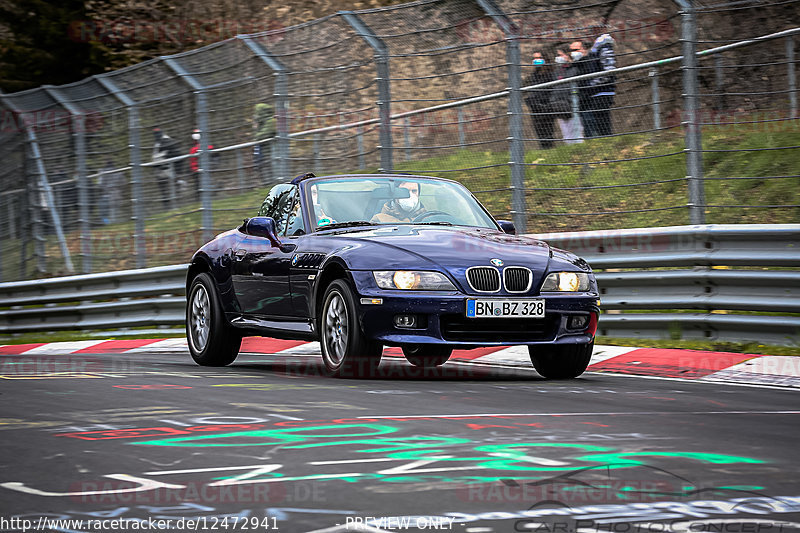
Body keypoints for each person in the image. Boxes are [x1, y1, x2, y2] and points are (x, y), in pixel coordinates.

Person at [523, 52, 557, 149]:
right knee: (539, 130)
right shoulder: (535, 74)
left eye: (539, 58)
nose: (536, 60)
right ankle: (544, 148)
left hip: (545, 105)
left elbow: (550, 90)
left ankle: (549, 147)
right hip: (535, 107)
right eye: (535, 58)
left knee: (547, 129)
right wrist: (530, 100)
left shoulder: (550, 74)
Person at [568, 40, 601, 138]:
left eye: (576, 49)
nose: (573, 52)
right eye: (571, 50)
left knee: (591, 123)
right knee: (585, 125)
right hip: (581, 99)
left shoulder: (591, 61)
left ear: (584, 49)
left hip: (591, 97)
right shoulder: (576, 64)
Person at [588, 33, 616, 137]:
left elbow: (609, 70)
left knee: (602, 118)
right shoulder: (597, 51)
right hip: (598, 91)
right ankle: (603, 137)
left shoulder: (605, 49)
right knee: (599, 117)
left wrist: (593, 83)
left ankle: (606, 137)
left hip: (603, 90)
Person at [553, 50, 584, 144]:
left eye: (561, 55)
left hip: (571, 101)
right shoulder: (558, 71)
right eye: (558, 55)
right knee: (565, 129)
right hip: (559, 102)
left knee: (575, 127)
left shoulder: (574, 69)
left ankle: (578, 145)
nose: (559, 57)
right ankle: (569, 146)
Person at [151, 127, 183, 210]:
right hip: (161, 170)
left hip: (169, 170)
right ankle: (167, 209)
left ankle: (175, 208)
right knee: (164, 192)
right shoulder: (157, 143)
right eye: (155, 134)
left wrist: (178, 172)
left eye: (158, 133)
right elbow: (156, 157)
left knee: (172, 191)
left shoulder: (168, 141)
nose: (156, 135)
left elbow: (177, 155)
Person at [188, 128, 213, 201]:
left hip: (197, 169)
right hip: (197, 169)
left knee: (200, 186)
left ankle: (202, 199)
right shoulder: (205, 146)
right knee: (201, 185)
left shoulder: (194, 149)